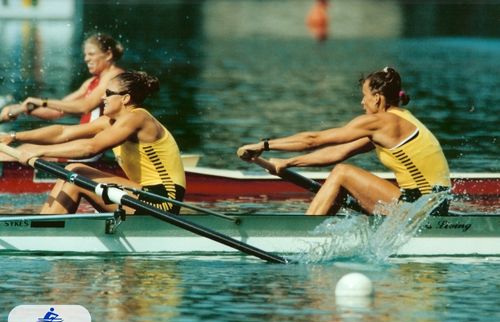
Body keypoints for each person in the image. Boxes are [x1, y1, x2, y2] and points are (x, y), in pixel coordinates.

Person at [238, 67, 450, 215]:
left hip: (422, 208)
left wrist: (263, 145)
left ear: (376, 97)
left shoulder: (383, 122)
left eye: (364, 96)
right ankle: (316, 231)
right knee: (341, 171)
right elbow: (336, 152)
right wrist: (287, 163)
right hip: (429, 205)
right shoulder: (401, 119)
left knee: (342, 173)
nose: (362, 102)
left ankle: (304, 234)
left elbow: (314, 140)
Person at [0, 71, 186, 215]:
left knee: (77, 176)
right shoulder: (110, 122)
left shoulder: (137, 118)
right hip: (143, 195)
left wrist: (38, 152)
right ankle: (44, 223)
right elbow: (63, 132)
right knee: (72, 170)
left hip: (163, 200)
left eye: (108, 93)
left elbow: (90, 147)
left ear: (125, 98)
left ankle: (46, 231)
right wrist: (14, 136)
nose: (102, 98)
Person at [0, 33, 124, 124]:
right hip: (84, 139)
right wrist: (20, 108)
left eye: (91, 54)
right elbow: (57, 111)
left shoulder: (114, 76)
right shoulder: (90, 82)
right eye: (85, 55)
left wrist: (40, 101)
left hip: (94, 144)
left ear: (108, 55)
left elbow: (86, 106)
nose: (86, 59)